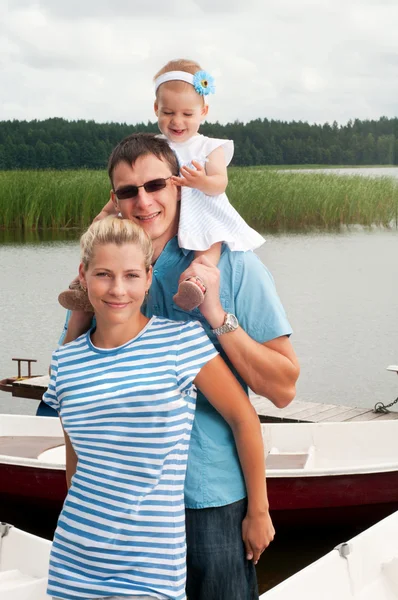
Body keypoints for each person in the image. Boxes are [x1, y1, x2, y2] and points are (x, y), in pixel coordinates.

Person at [58, 133, 300, 600]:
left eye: (155, 185)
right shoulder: (109, 273)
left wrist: (217, 315)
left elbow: (283, 388)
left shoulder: (233, 266)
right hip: (125, 504)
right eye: (128, 191)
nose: (143, 201)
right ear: (115, 200)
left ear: (180, 188)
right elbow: (72, 376)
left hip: (209, 497)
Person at [43, 216, 274, 600]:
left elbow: (243, 417)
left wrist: (259, 510)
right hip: (75, 563)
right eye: (103, 274)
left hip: (152, 571)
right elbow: (76, 466)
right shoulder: (66, 363)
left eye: (132, 275)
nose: (118, 289)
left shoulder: (181, 341)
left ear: (149, 278)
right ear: (83, 275)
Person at [58, 58, 264, 313]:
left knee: (208, 248)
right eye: (168, 113)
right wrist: (106, 213)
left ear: (204, 112)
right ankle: (81, 286)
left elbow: (220, 184)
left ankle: (196, 282)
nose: (177, 121)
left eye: (187, 114)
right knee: (101, 244)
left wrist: (200, 182)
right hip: (173, 211)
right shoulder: (155, 146)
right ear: (156, 109)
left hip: (202, 209)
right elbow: (131, 184)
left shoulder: (209, 147)